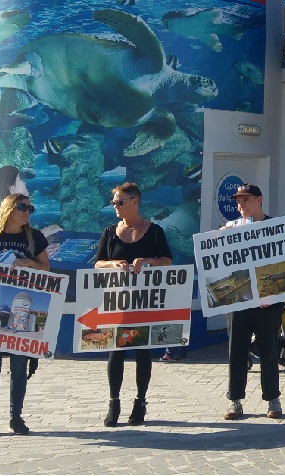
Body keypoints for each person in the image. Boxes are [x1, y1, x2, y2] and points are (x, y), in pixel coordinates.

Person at [93, 182, 173, 427]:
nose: (115, 206)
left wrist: (147, 260)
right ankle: (114, 403)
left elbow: (167, 261)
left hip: (143, 302)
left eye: (119, 201)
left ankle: (140, 402)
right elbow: (97, 263)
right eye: (114, 202)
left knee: (142, 352)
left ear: (134, 201)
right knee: (115, 352)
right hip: (116, 302)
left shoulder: (154, 231)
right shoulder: (109, 232)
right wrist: (112, 264)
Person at [0, 192, 50, 439]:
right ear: (9, 208)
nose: (27, 211)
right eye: (22, 207)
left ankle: (16, 417)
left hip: (22, 309)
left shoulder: (34, 237)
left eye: (30, 207)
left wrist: (31, 265)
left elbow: (46, 267)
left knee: (19, 366)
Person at [222, 183, 284, 420]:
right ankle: (235, 400)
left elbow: (284, 264)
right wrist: (221, 236)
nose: (240, 204)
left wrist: (275, 295)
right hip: (239, 300)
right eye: (238, 200)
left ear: (259, 200)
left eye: (245, 199)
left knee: (269, 350)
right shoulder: (231, 228)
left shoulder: (275, 227)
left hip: (268, 302)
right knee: (236, 350)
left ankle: (273, 399)